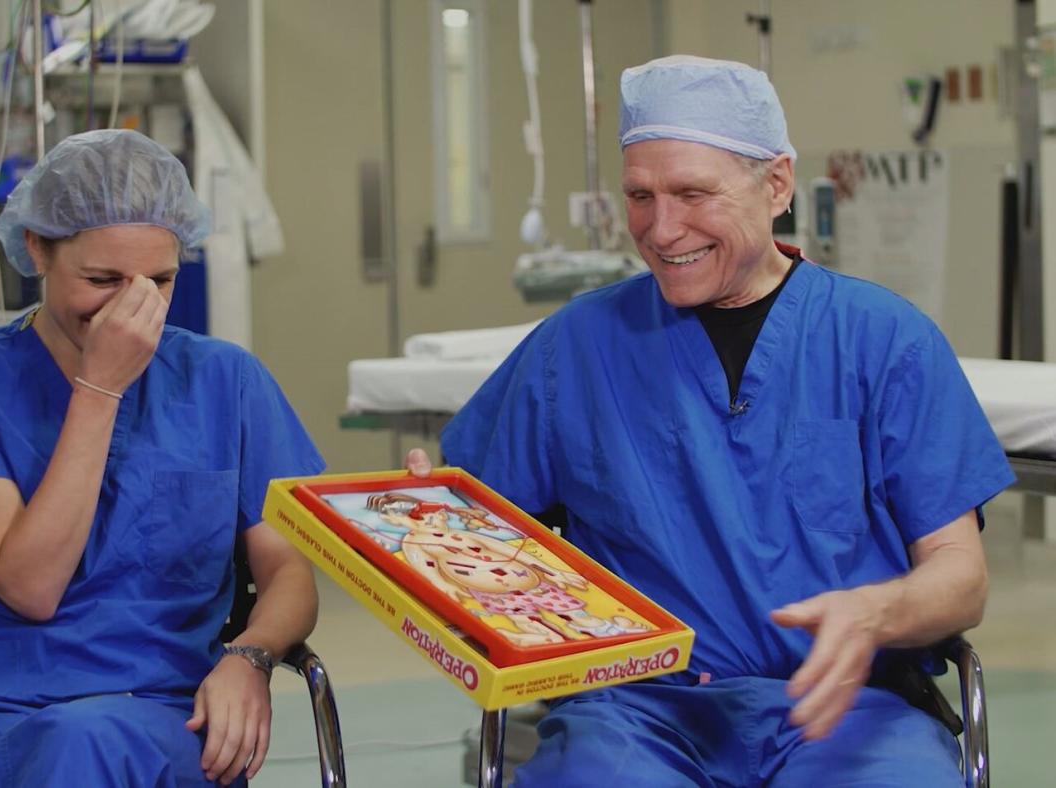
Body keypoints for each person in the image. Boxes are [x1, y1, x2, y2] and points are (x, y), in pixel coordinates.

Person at [409, 55, 1014, 786]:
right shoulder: (577, 347)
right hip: (635, 715)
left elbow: (961, 579)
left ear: (778, 185)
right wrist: (432, 526)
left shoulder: (884, 342)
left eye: (693, 192)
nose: (662, 230)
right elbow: (481, 545)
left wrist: (877, 611)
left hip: (845, 709)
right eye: (639, 195)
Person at [0, 129, 323, 787]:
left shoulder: (224, 381)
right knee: (67, 749)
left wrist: (251, 657)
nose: (134, 307)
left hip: (164, 707)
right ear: (36, 249)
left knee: (86, 744)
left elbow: (288, 567)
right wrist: (99, 389)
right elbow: (31, 586)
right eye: (102, 279)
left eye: (161, 280)